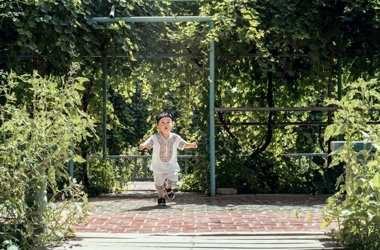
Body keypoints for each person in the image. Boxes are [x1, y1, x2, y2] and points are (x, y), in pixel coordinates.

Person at [138, 112, 197, 206]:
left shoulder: (175, 137)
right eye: (162, 122)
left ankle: (168, 187)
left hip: (171, 165)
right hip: (158, 166)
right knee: (159, 183)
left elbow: (183, 143)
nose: (165, 124)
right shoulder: (155, 137)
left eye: (168, 122)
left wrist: (191, 145)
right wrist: (143, 146)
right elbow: (149, 142)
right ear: (158, 126)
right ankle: (161, 198)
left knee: (174, 179)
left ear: (172, 125)